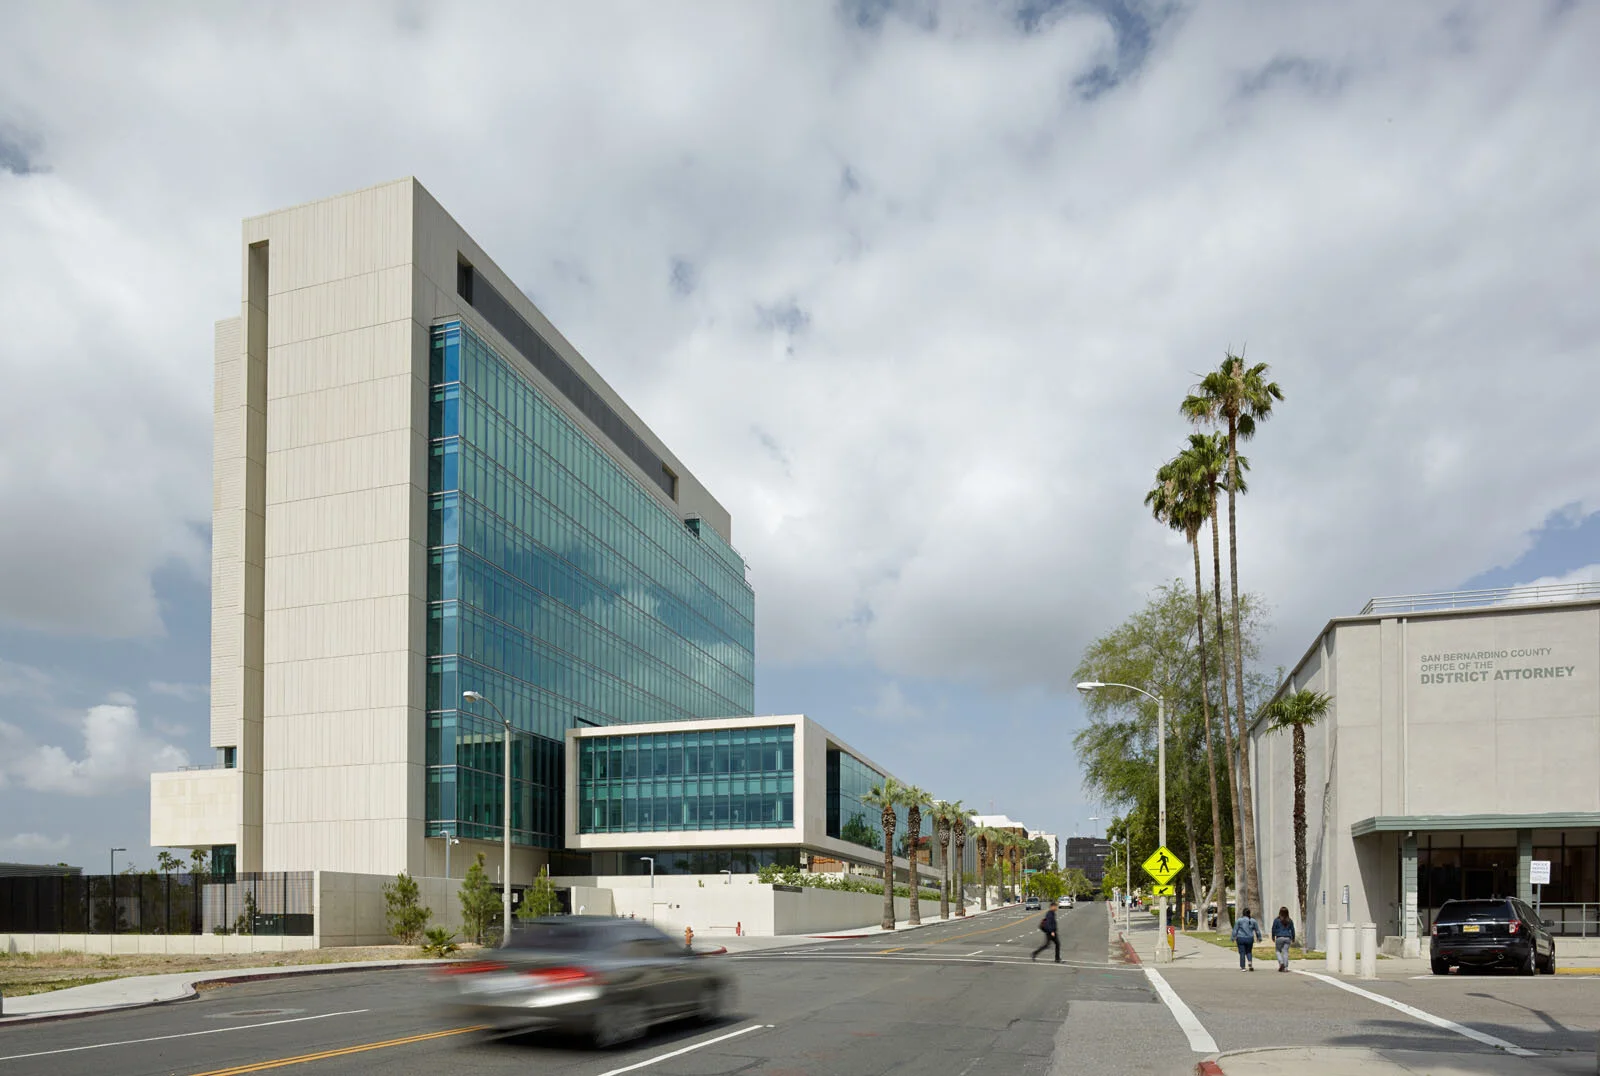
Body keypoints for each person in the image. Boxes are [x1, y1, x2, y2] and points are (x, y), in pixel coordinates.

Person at [1233, 906, 1263, 971]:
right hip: (1250, 938)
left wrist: (1233, 937)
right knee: (1249, 951)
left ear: (1243, 913)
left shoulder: (1239, 920)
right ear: (1249, 913)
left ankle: (1243, 967)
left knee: (1242, 952)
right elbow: (1257, 930)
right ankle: (1250, 962)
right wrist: (1259, 937)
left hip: (1241, 938)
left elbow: (1235, 930)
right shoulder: (1253, 921)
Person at [1271, 907, 1296, 972]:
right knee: (1285, 952)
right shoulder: (1289, 920)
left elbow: (1273, 928)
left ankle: (1281, 962)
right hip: (1287, 937)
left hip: (1279, 937)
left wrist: (1273, 936)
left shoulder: (1277, 920)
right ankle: (1286, 967)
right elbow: (1292, 929)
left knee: (1278, 951)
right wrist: (1293, 938)